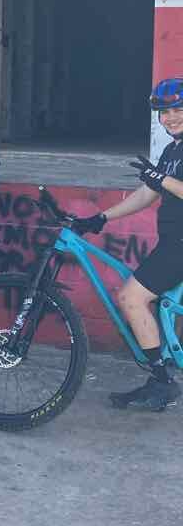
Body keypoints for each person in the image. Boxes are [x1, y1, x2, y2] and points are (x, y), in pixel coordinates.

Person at [70, 78, 183, 412]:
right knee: (160, 307)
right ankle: (163, 374)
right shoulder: (172, 150)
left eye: (178, 109)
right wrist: (101, 218)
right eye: (165, 112)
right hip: (172, 241)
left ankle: (162, 383)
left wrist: (161, 179)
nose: (171, 117)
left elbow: (163, 184)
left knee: (131, 298)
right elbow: (148, 193)